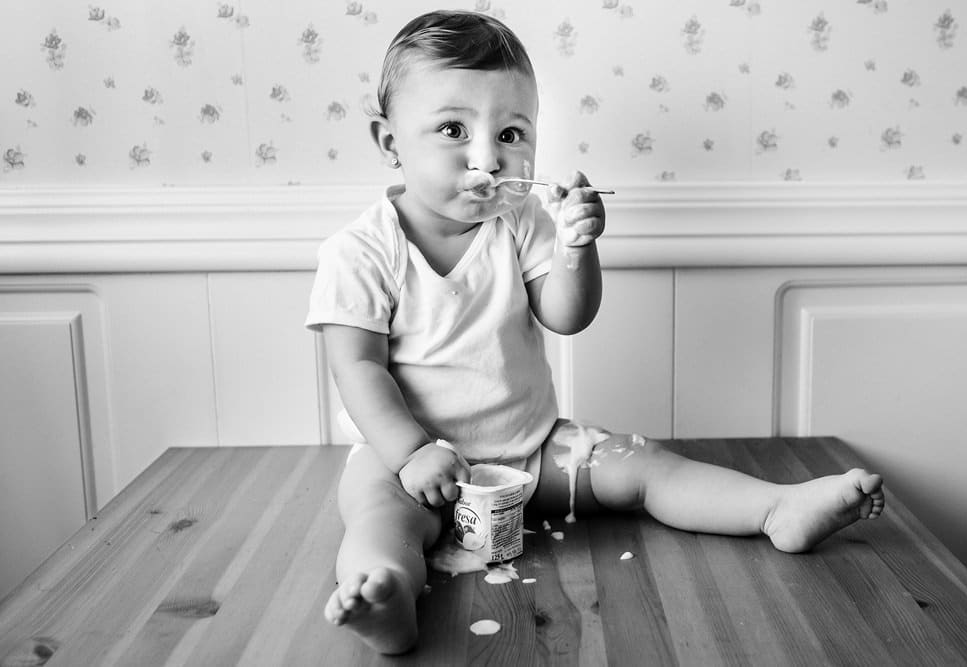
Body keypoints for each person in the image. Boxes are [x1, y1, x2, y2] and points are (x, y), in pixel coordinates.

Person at [305, 9, 884, 655]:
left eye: (512, 132)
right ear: (389, 142)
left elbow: (567, 313)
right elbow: (357, 367)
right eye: (452, 129)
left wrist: (579, 248)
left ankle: (776, 508)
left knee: (642, 464)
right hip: (406, 466)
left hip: (528, 453)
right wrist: (412, 452)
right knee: (379, 519)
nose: (487, 156)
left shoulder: (520, 221)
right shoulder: (359, 252)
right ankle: (384, 594)